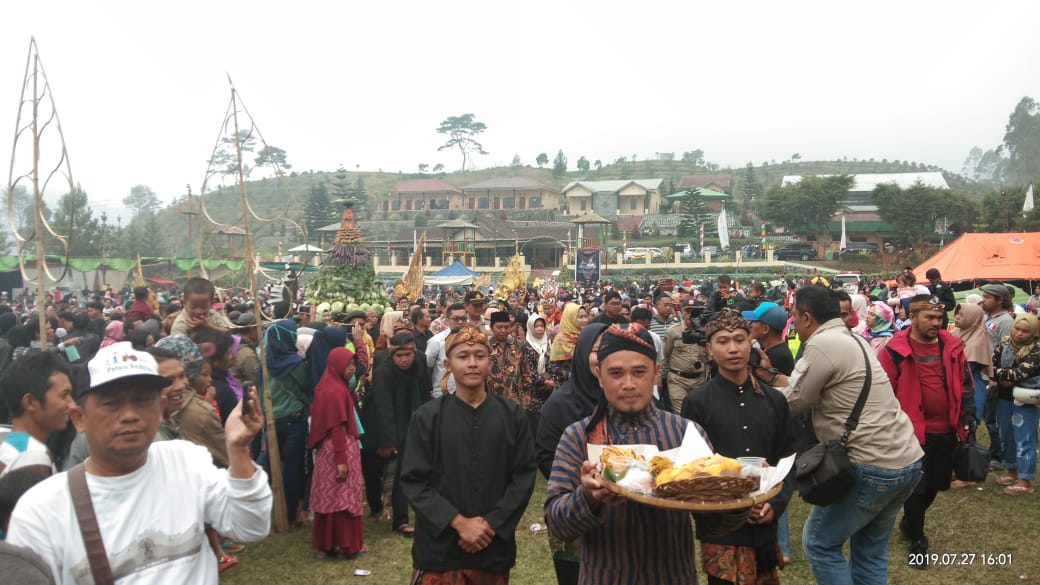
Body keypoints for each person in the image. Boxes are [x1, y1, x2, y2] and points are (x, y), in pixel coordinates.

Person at [6, 341, 271, 584]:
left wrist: (237, 450)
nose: (130, 415)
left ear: (160, 407)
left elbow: (250, 525)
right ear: (79, 418)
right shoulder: (42, 512)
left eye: (142, 400)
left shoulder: (186, 461)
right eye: (111, 403)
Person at [768, 285, 923, 585]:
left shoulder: (821, 344)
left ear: (807, 317)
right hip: (906, 459)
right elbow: (814, 387)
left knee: (820, 544)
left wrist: (757, 392)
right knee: (870, 551)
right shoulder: (853, 339)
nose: (793, 321)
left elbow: (794, 401)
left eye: (794, 315)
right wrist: (773, 378)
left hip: (870, 464)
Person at [545, 323, 709, 584]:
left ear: (656, 372)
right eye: (616, 373)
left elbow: (715, 522)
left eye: (639, 372)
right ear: (599, 375)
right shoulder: (578, 437)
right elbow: (557, 524)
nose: (629, 384)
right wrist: (588, 497)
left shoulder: (685, 434)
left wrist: (738, 499)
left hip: (674, 576)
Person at [398, 324, 536, 584]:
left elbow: (523, 476)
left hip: (491, 544)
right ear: (448, 364)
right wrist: (459, 522)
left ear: (489, 363)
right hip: (440, 547)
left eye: (479, 356)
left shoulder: (512, 416)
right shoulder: (427, 417)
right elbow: (413, 480)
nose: (472, 363)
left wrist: (491, 523)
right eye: (463, 356)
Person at [681, 312, 797, 585]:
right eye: (722, 341)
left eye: (739, 340)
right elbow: (693, 467)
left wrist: (774, 505)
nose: (732, 348)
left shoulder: (773, 400)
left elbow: (788, 458)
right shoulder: (697, 402)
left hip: (764, 520)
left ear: (751, 344)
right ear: (709, 350)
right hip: (721, 527)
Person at [877, 295, 974, 569]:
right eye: (929, 317)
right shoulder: (894, 350)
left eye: (939, 317)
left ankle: (909, 522)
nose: (936, 322)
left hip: (946, 428)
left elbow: (965, 382)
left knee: (937, 484)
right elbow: (884, 392)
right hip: (912, 432)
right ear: (913, 317)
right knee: (918, 488)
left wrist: (968, 414)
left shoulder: (951, 345)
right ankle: (917, 537)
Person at [535, 323, 607, 585]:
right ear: (582, 353)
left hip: (625, 515)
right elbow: (545, 455)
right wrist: (581, 485)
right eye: (597, 350)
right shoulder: (560, 403)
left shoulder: (628, 400)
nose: (603, 357)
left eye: (610, 349)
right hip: (573, 509)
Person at [368, 332, 431, 535]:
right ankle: (399, 520)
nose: (404, 360)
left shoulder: (420, 362)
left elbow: (425, 392)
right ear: (391, 355)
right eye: (399, 355)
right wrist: (388, 440)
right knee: (396, 475)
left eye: (408, 354)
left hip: (416, 422)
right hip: (392, 427)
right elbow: (382, 406)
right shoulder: (384, 371)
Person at [308, 346, 366, 559]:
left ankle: (328, 544)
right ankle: (346, 544)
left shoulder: (328, 385)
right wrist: (342, 459)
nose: (352, 369)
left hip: (330, 450)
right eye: (348, 365)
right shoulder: (334, 391)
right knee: (343, 499)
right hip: (338, 449)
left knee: (330, 497)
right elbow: (336, 426)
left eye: (353, 364)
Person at [256, 319, 312, 527]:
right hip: (293, 420)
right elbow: (306, 385)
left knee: (266, 463)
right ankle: (291, 511)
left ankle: (257, 508)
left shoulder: (262, 363)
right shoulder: (294, 363)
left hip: (270, 420)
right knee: (293, 468)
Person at [990, 313, 1040, 495]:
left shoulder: (1036, 349)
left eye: (1025, 331)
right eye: (1017, 328)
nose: (1019, 333)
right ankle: (1011, 471)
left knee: (1025, 437)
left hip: (1026, 399)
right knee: (1006, 435)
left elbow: (1021, 373)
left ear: (1033, 332)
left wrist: (1002, 375)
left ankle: (1025, 480)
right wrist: (1005, 375)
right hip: (1004, 397)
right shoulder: (1004, 343)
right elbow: (991, 366)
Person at [0, 352, 73, 477]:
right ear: (30, 402)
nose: (71, 404)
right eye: (64, 395)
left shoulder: (10, 450)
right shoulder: (32, 460)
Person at [950, 302, 993, 489]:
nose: (957, 318)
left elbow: (970, 365)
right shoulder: (955, 334)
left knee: (968, 428)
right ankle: (954, 468)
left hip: (971, 387)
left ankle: (968, 474)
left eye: (961, 315)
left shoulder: (978, 337)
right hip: (954, 384)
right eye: (956, 315)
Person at [981, 283, 1015, 467]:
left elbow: (1007, 351)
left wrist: (997, 377)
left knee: (994, 418)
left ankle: (999, 456)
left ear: (1000, 300)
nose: (983, 300)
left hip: (995, 377)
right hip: (985, 375)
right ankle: (995, 451)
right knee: (988, 417)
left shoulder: (1005, 322)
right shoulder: (987, 317)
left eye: (987, 297)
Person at [662, 299, 711, 413]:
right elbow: (666, 355)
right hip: (678, 380)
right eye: (687, 311)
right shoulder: (673, 332)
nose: (690, 314)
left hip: (700, 380)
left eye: (694, 311)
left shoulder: (707, 331)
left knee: (699, 413)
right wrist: (661, 379)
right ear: (682, 312)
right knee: (682, 415)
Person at [486, 311, 534, 409]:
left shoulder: (518, 345)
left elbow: (525, 371)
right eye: (499, 327)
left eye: (506, 327)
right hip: (493, 401)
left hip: (517, 399)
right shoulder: (486, 347)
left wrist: (528, 393)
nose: (503, 330)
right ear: (491, 328)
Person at [741, 301, 794, 384]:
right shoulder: (767, 348)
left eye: (754, 321)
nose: (749, 324)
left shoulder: (777, 356)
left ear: (765, 329)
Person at [425, 302, 467, 398]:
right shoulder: (436, 341)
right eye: (456, 319)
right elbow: (428, 365)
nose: (460, 322)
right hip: (444, 392)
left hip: (468, 392)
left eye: (463, 319)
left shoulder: (474, 339)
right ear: (447, 320)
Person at [547, 303, 584, 388]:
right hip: (566, 387)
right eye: (580, 317)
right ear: (570, 318)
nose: (584, 320)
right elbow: (552, 367)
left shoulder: (587, 336)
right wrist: (573, 376)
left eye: (585, 316)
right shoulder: (560, 340)